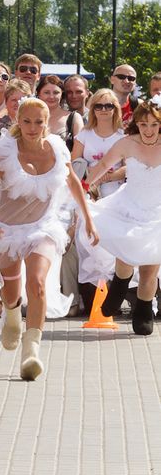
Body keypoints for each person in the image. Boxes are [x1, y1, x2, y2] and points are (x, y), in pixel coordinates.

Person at [0, 98, 98, 380]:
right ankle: (11, 313)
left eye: (39, 122)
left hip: (42, 227)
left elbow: (74, 185)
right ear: (18, 121)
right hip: (6, 229)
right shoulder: (6, 152)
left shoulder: (57, 148)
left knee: (38, 283)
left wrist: (89, 221)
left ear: (47, 123)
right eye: (27, 121)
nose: (33, 127)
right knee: (11, 291)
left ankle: (31, 351)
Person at [85, 97, 161, 336]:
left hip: (157, 211)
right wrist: (85, 187)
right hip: (128, 205)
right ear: (136, 123)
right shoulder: (126, 144)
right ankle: (118, 286)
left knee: (150, 266)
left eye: (154, 125)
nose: (148, 130)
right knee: (126, 255)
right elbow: (104, 165)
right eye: (143, 124)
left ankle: (144, 310)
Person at [71, 89, 125, 313]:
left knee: (114, 244)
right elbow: (74, 162)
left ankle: (116, 297)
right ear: (92, 109)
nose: (104, 110)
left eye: (108, 106)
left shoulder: (123, 136)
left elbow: (129, 165)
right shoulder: (84, 134)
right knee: (89, 242)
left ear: (116, 109)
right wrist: (89, 182)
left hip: (116, 193)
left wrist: (109, 175)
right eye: (98, 106)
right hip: (89, 193)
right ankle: (92, 298)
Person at [0, 79, 32, 170]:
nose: (18, 103)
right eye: (13, 100)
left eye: (21, 100)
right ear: (6, 101)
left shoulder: (34, 126)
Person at [36, 74, 84, 151]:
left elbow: (79, 150)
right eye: (46, 92)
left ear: (62, 94)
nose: (51, 97)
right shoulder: (30, 116)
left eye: (56, 92)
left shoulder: (74, 118)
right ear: (39, 94)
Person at [110, 64, 141, 128]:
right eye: (121, 77)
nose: (126, 81)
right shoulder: (98, 102)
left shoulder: (139, 105)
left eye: (131, 78)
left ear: (135, 83)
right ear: (112, 79)